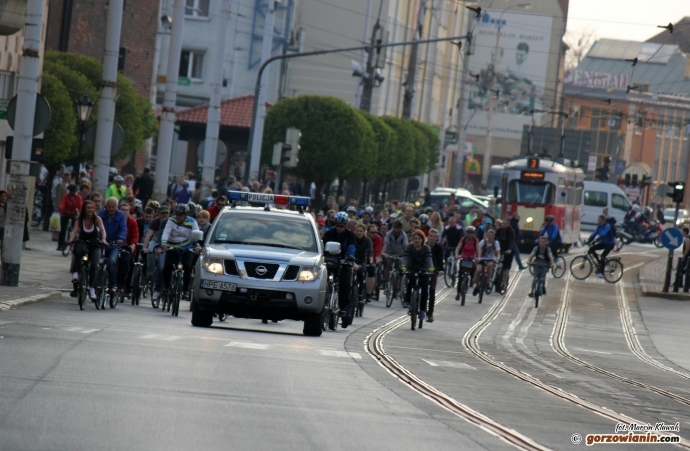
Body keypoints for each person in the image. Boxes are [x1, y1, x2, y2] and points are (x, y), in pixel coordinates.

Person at [66, 201, 107, 299]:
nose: (90, 210)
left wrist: (104, 239)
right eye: (88, 208)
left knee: (94, 265)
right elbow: (74, 231)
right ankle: (76, 273)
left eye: (92, 208)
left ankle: (92, 288)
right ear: (84, 209)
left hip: (94, 244)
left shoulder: (97, 219)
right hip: (83, 242)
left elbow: (102, 230)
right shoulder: (79, 220)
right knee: (80, 250)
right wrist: (71, 240)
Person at [160, 204, 202, 300]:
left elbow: (196, 234)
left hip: (187, 247)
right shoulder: (171, 220)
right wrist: (164, 242)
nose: (178, 217)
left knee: (187, 266)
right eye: (177, 214)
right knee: (167, 266)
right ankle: (166, 286)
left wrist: (197, 245)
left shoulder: (192, 221)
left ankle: (185, 290)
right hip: (172, 246)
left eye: (181, 215)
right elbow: (166, 232)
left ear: (186, 214)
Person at [322, 212, 356, 326]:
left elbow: (351, 247)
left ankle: (343, 307)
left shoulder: (350, 235)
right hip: (330, 261)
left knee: (345, 284)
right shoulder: (329, 233)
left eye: (341, 226)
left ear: (346, 225)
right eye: (337, 225)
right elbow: (323, 245)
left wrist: (350, 257)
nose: (339, 228)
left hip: (344, 262)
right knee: (323, 281)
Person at [97, 197, 128, 293]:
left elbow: (123, 228)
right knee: (97, 262)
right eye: (109, 207)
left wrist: (121, 238)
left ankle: (112, 285)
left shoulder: (121, 216)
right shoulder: (100, 214)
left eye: (113, 207)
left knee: (112, 261)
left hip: (114, 244)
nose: (110, 209)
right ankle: (95, 284)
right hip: (102, 243)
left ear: (117, 207)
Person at [401, 230, 434, 317]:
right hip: (412, 268)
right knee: (410, 282)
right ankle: (407, 300)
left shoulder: (426, 248)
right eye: (415, 238)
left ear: (422, 239)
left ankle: (423, 310)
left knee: (425, 289)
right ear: (412, 239)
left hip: (424, 269)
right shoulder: (409, 247)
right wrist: (404, 266)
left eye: (419, 239)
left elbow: (429, 259)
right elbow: (406, 257)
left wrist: (431, 267)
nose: (417, 241)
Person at [143, 205, 170, 302]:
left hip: (168, 243)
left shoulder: (171, 222)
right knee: (150, 251)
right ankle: (149, 273)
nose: (164, 215)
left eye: (166, 213)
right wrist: (145, 247)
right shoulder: (155, 221)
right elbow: (149, 234)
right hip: (155, 240)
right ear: (158, 213)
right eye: (162, 213)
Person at [381, 220, 408, 298]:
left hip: (399, 254)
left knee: (399, 271)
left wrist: (405, 255)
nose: (395, 230)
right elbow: (386, 243)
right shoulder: (389, 233)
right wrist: (383, 253)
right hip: (388, 253)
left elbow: (405, 245)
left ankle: (397, 288)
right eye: (394, 228)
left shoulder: (404, 235)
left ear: (400, 228)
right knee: (388, 265)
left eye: (397, 228)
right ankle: (385, 281)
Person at [454, 226, 479, 300]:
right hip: (464, 257)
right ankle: (458, 293)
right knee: (460, 276)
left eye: (471, 233)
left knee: (473, 267)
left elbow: (478, 249)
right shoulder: (463, 239)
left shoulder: (475, 240)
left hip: (472, 257)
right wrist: (456, 255)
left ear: (474, 233)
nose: (470, 234)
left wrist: (478, 257)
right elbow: (458, 248)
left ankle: (471, 279)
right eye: (468, 233)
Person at [474, 228, 500, 296]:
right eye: (489, 235)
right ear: (487, 235)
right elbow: (478, 250)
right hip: (482, 258)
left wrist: (497, 259)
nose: (490, 237)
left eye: (492, 236)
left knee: (489, 265)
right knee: (478, 270)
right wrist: (478, 257)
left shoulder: (496, 243)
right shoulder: (483, 241)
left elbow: (498, 253)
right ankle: (477, 286)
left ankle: (488, 282)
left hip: (491, 259)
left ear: (494, 236)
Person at [57, 184, 83, 252]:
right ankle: (60, 245)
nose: (74, 193)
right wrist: (61, 209)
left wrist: (81, 212)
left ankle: (72, 239)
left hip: (74, 213)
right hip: (65, 213)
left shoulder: (78, 197)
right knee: (63, 229)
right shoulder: (65, 196)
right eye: (72, 191)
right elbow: (62, 204)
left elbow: (80, 206)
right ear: (70, 191)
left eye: (75, 191)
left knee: (75, 227)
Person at [353, 224, 374, 303]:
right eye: (357, 231)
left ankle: (360, 295)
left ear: (364, 232)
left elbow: (370, 251)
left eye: (361, 231)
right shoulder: (353, 238)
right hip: (352, 259)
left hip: (362, 260)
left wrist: (371, 262)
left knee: (361, 273)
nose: (359, 233)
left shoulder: (367, 240)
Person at [427, 228, 444, 322]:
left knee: (432, 290)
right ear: (428, 236)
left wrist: (441, 269)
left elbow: (440, 260)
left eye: (434, 237)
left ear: (437, 238)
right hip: (423, 270)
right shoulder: (424, 246)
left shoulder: (439, 248)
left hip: (434, 270)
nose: (432, 238)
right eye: (431, 236)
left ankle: (430, 313)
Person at [495, 218, 516, 288]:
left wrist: (510, 249)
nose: (503, 225)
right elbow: (494, 238)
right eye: (502, 223)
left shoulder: (511, 231)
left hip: (508, 251)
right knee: (496, 263)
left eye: (504, 223)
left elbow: (511, 241)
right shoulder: (499, 230)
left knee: (506, 267)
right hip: (500, 250)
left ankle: (504, 283)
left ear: (508, 224)